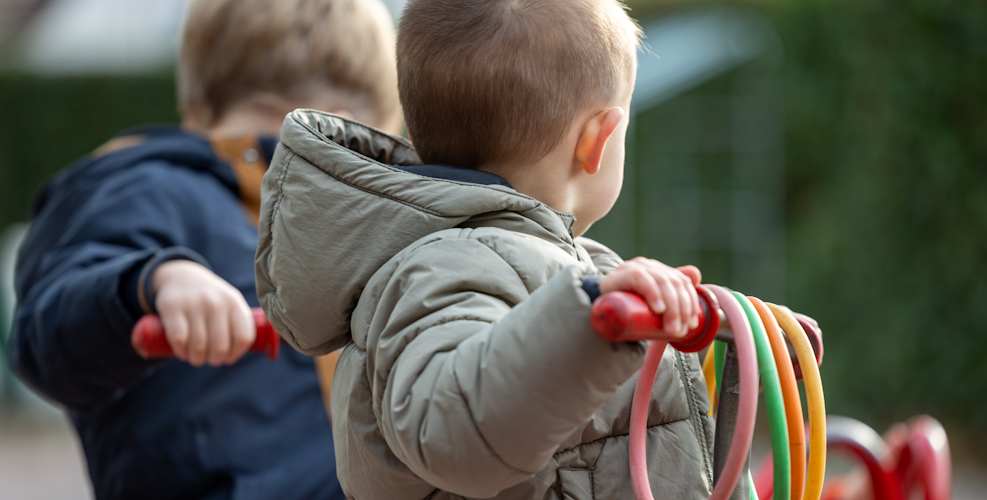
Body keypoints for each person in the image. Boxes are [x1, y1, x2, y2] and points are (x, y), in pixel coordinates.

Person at [254, 0, 723, 498]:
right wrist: (588, 326)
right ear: (599, 140)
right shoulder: (440, 267)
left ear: (417, 138)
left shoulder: (569, 263)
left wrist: (742, 343)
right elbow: (452, 429)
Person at [7, 0, 401, 499]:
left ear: (195, 108)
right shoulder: (140, 188)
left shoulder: (359, 226)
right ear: (344, 131)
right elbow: (43, 339)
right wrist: (152, 282)